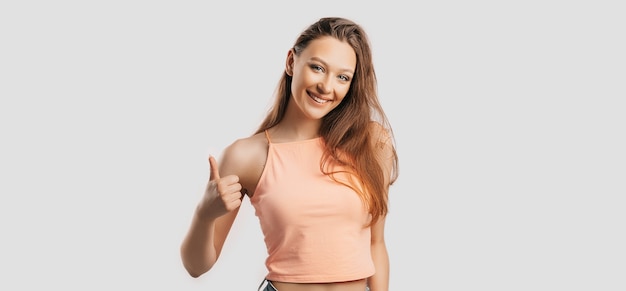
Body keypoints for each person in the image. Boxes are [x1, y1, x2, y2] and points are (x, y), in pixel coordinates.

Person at [180, 17, 399, 291]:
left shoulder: (371, 142)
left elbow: (376, 244)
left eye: (343, 77)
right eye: (318, 68)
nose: (327, 87)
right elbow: (195, 266)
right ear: (291, 62)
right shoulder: (247, 155)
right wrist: (204, 214)